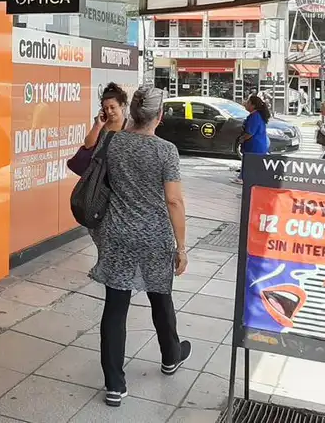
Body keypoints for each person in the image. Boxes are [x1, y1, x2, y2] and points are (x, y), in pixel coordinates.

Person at [88, 86, 190, 408]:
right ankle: (171, 356)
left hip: (118, 234)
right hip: (154, 238)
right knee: (160, 297)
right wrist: (182, 247)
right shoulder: (166, 151)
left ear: (132, 112)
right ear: (159, 116)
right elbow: (173, 201)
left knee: (115, 308)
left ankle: (114, 385)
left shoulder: (113, 141)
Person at [67, 82, 129, 176]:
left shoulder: (129, 126)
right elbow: (88, 145)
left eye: (112, 107)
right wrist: (98, 126)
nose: (109, 111)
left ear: (122, 105)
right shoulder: (101, 124)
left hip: (118, 174)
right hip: (97, 174)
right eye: (106, 108)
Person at [235, 94, 272, 185]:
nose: (245, 104)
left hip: (254, 145)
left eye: (248, 102)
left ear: (253, 105)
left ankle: (245, 178)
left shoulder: (255, 117)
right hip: (256, 144)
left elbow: (250, 133)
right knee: (249, 162)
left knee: (250, 163)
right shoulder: (255, 115)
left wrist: (242, 139)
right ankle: (243, 177)